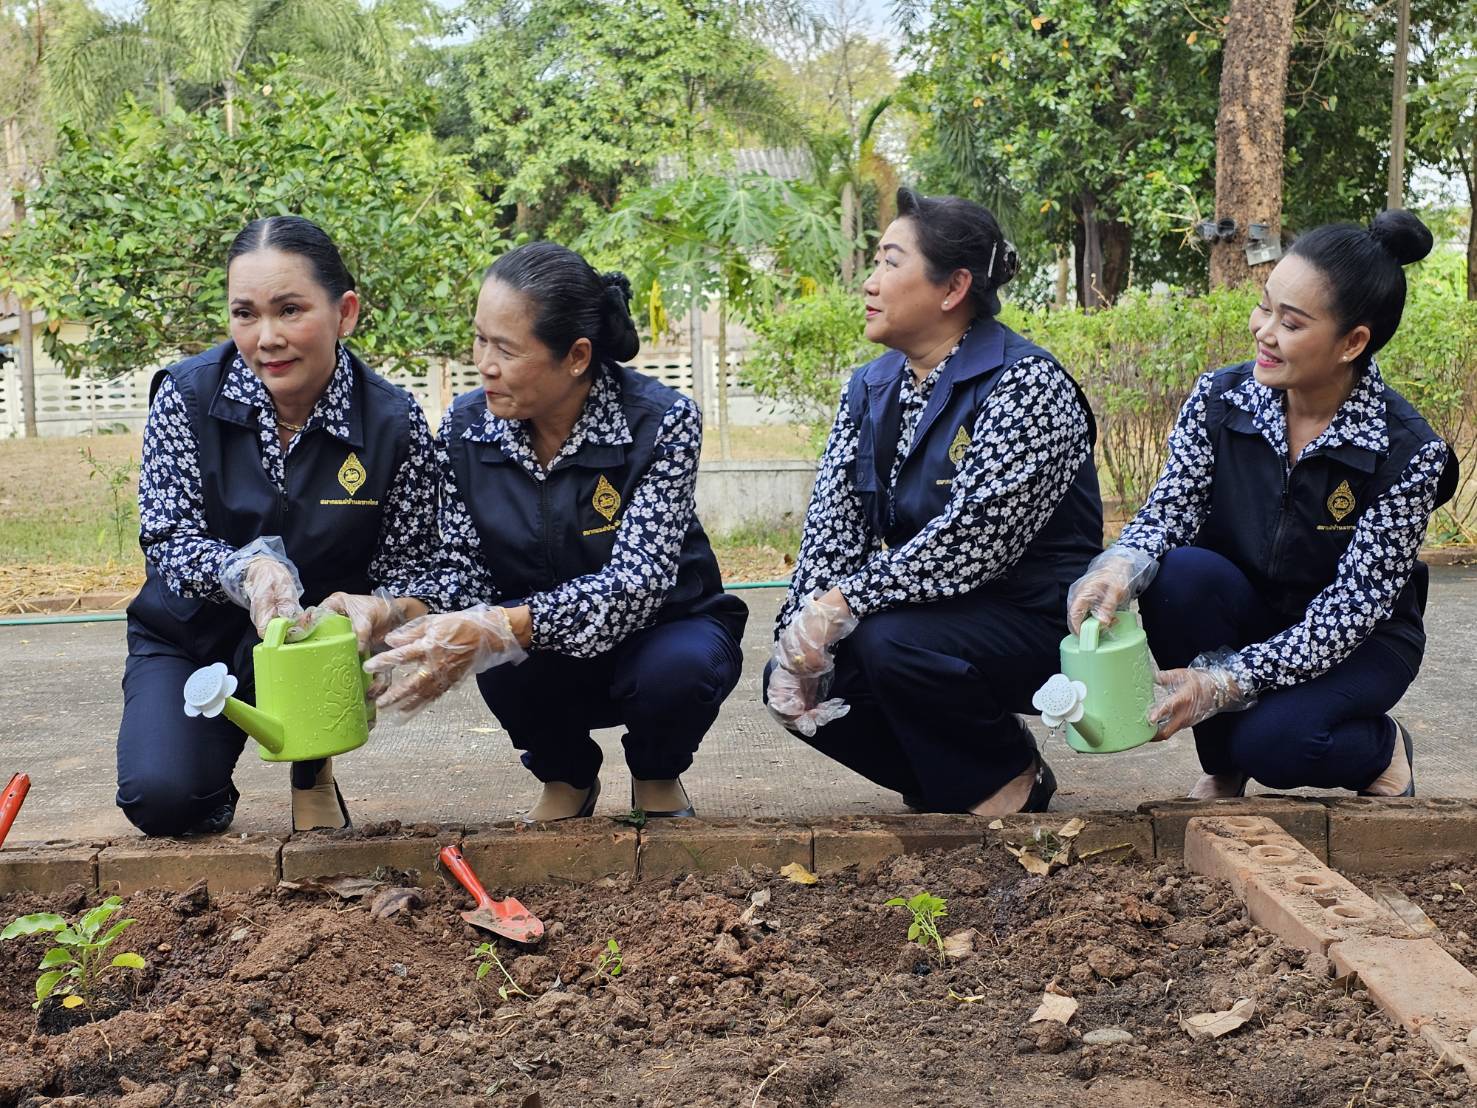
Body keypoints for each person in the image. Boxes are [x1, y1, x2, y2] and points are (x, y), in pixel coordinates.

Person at [1067, 210, 1458, 799]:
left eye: (1292, 322)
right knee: (1179, 575)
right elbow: (1169, 510)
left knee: (1279, 745)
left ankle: (1381, 751)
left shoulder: (1406, 452)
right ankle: (1225, 764)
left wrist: (1224, 681)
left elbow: (1348, 615)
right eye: (1265, 306)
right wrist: (1118, 566)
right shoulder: (1220, 400)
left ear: (1353, 341)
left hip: (1358, 640)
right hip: (1251, 607)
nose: (1264, 331)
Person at [355, 241, 748, 822]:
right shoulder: (467, 427)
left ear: (577, 356)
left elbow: (636, 586)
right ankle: (566, 776)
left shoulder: (660, 421)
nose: (483, 362)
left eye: (505, 349)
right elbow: (462, 564)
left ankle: (657, 772)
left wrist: (504, 625)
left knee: (678, 672)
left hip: (660, 631)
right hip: (545, 653)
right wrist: (398, 610)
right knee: (497, 657)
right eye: (480, 338)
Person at [762, 188, 1103, 816]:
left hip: (1034, 617)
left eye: (891, 262)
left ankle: (1007, 776)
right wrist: (798, 637)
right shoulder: (870, 387)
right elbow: (834, 527)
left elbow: (971, 544)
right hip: (932, 611)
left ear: (953, 289)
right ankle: (959, 780)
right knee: (802, 680)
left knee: (888, 643)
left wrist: (843, 603)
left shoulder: (1027, 384)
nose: (870, 282)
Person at [117, 215, 440, 836]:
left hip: (313, 645)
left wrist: (379, 609)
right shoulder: (185, 398)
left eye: (290, 310)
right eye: (245, 314)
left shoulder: (393, 424)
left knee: (319, 813)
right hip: (191, 637)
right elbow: (168, 539)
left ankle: (311, 766)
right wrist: (249, 569)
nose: (267, 337)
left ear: (345, 312)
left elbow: (419, 563)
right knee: (162, 799)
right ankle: (208, 782)